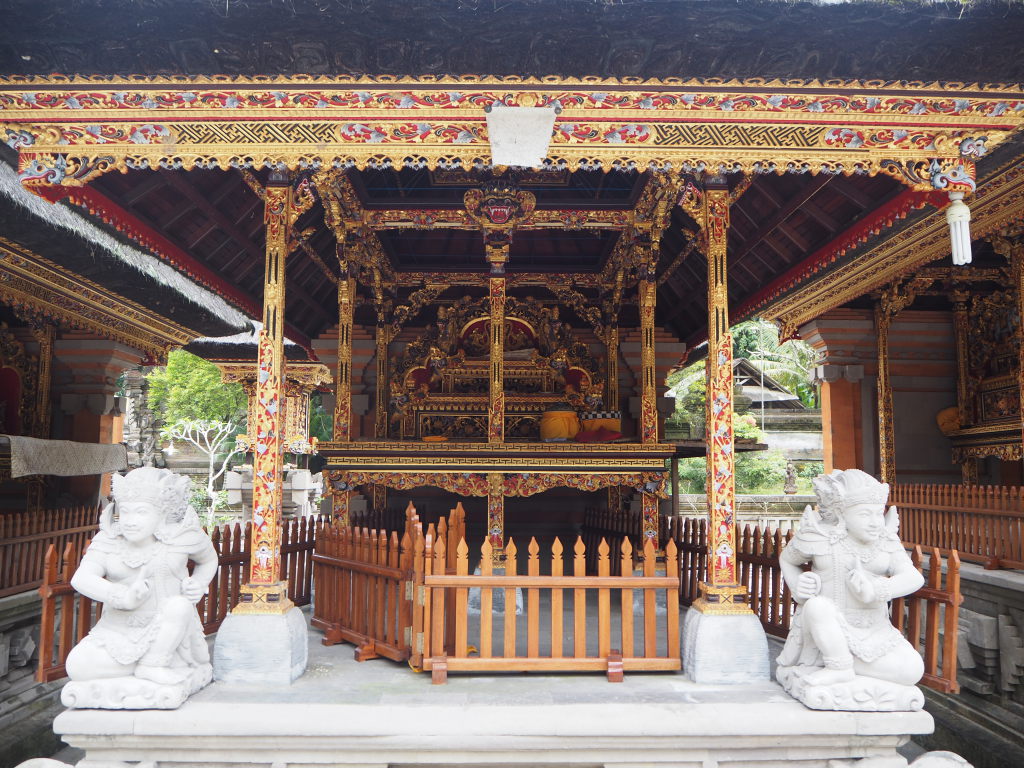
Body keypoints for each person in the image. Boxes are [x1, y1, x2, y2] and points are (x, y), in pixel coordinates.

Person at [65, 467, 218, 689]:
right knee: (77, 666)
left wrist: (199, 583)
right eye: (125, 512)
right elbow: (81, 578)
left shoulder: (180, 538)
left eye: (141, 512)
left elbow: (209, 559)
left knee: (179, 606)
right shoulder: (109, 540)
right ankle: (137, 665)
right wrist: (123, 597)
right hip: (117, 629)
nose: (130, 521)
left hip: (167, 630)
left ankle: (154, 664)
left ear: (162, 514)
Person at [777, 468, 924, 688]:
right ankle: (838, 667)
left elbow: (913, 577)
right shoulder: (820, 537)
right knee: (817, 606)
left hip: (874, 629)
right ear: (841, 513)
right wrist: (798, 584)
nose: (875, 522)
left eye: (878, 513)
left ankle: (847, 663)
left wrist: (876, 590)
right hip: (828, 626)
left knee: (912, 670)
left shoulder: (884, 541)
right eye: (864, 514)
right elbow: (787, 559)